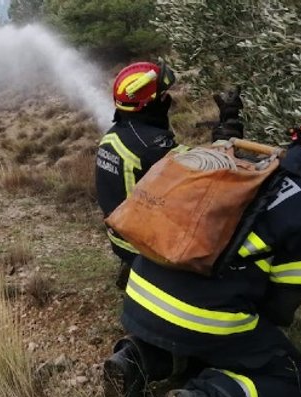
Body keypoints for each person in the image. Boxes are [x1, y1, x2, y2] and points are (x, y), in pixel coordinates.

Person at [103, 112, 301, 397]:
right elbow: (283, 305)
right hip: (195, 318)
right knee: (291, 377)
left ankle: (135, 359)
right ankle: (207, 396)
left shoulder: (242, 166)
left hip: (139, 296)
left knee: (196, 334)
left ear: (298, 140)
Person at [95, 61, 245, 290]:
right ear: (151, 104)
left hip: (120, 237)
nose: (168, 99)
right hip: (141, 246)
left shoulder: (114, 135)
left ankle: (135, 270)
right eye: (163, 95)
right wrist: (228, 132)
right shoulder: (152, 146)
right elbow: (208, 175)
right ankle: (153, 276)